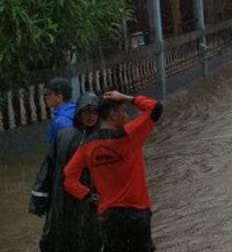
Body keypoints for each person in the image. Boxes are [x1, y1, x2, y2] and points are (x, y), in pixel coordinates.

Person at [63, 91, 163, 252]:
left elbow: (68, 179)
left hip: (109, 215)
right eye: (123, 111)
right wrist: (127, 97)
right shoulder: (131, 134)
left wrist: (88, 195)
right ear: (112, 115)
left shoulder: (86, 147)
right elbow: (156, 108)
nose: (127, 115)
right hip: (138, 212)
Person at [29, 92, 102, 252]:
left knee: (89, 241)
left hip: (89, 202)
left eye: (94, 111)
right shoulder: (63, 135)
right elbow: (48, 166)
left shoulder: (102, 140)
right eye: (86, 111)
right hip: (62, 199)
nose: (90, 116)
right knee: (59, 239)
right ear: (78, 113)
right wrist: (39, 201)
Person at [43, 77, 76, 146]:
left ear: (59, 97)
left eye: (49, 94)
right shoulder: (77, 109)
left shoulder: (58, 123)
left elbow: (54, 151)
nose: (46, 97)